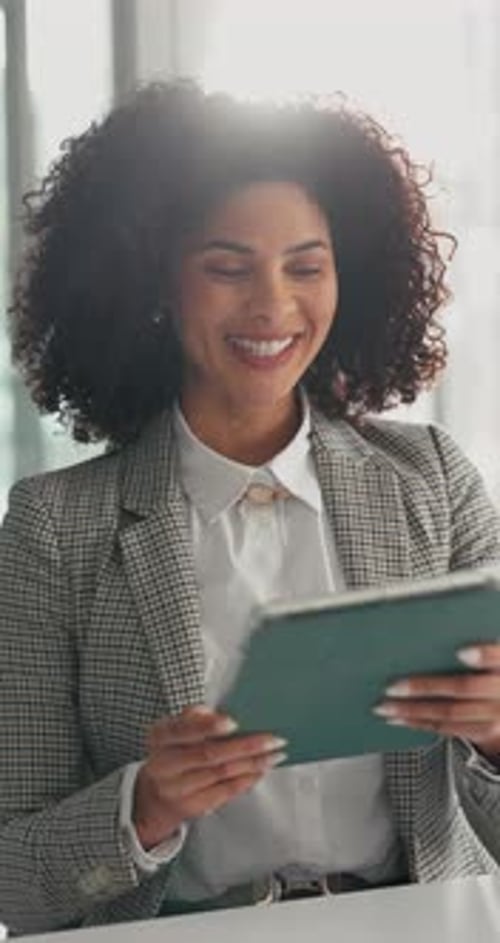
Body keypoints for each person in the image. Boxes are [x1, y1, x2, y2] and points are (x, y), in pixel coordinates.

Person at [1, 78, 500, 937]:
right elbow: (12, 877)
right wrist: (143, 807)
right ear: (156, 283)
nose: (273, 305)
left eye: (306, 266)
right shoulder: (54, 527)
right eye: (228, 268)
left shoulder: (434, 479)